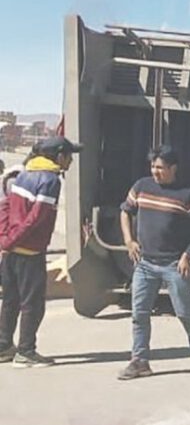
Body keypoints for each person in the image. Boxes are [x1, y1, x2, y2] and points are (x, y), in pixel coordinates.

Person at [117, 145, 190, 380]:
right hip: (144, 264)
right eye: (153, 166)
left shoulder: (188, 194)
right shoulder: (142, 186)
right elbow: (125, 211)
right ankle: (139, 360)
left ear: (173, 168)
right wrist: (129, 240)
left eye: (160, 167)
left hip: (174, 265)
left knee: (184, 312)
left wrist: (187, 255)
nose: (155, 171)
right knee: (139, 314)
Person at [0, 136, 82, 367]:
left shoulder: (23, 174)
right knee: (33, 304)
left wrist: (5, 240)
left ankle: (4, 346)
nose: (71, 161)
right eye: (69, 156)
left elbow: (5, 207)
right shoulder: (50, 180)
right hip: (29, 252)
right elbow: (36, 218)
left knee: (10, 300)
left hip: (10, 251)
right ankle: (26, 351)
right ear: (58, 156)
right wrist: (13, 240)